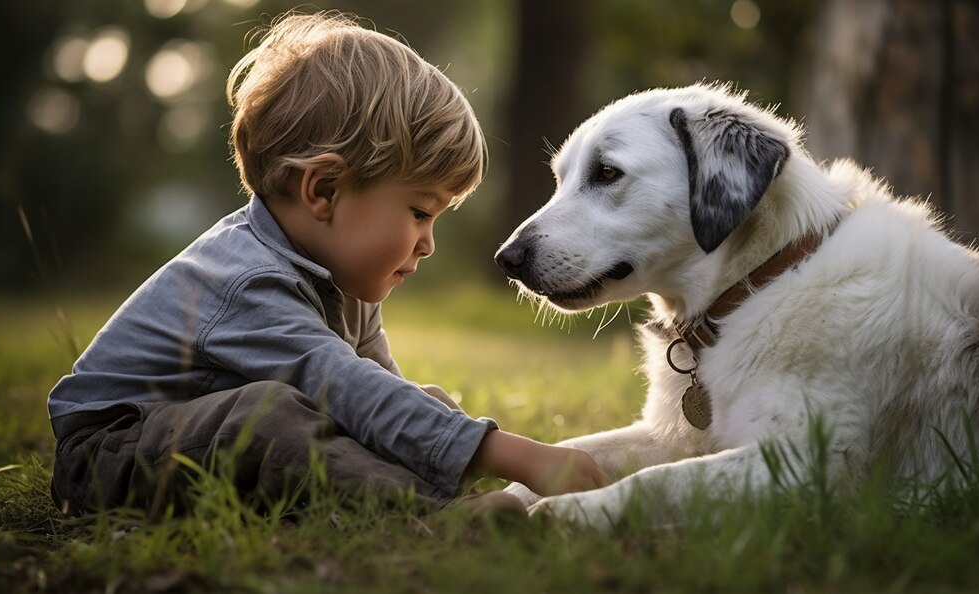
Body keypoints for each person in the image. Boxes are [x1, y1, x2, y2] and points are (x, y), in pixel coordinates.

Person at [47, 10, 606, 517]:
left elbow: (379, 399)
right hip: (111, 450)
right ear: (325, 190)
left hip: (197, 434)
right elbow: (348, 389)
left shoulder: (344, 285)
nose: (427, 243)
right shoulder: (246, 280)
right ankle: (426, 520)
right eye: (418, 211)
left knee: (420, 403)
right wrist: (511, 453)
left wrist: (444, 435)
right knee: (272, 421)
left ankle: (434, 498)